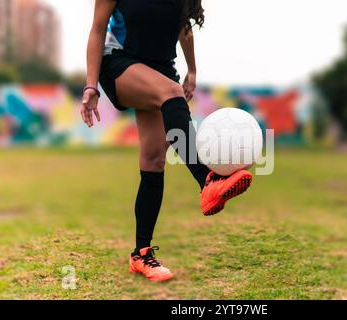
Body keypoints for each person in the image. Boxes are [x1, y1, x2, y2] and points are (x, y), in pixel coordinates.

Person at [81, 0, 253, 282]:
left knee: (153, 160)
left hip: (161, 69)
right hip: (119, 64)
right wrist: (90, 85)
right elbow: (97, 30)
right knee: (171, 94)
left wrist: (193, 70)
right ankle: (207, 180)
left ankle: (141, 254)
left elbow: (184, 26)